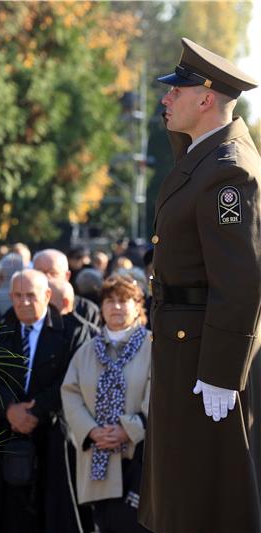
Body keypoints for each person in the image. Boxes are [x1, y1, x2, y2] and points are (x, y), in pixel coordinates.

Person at [139, 38, 261, 533]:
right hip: (182, 343)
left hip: (202, 352)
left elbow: (241, 280)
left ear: (206, 98)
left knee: (207, 491)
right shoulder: (206, 156)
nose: (165, 99)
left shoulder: (228, 171)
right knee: (183, 487)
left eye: (177, 91)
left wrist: (221, 371)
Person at [0, 269, 81, 533]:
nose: (23, 302)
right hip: (6, 434)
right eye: (17, 295)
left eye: (30, 295)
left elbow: (71, 379)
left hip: (52, 434)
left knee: (54, 515)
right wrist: (9, 410)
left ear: (48, 295)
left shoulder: (72, 330)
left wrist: (34, 411)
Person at [61, 275, 152, 533]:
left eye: (124, 300)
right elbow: (70, 393)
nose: (117, 307)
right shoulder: (88, 350)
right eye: (110, 300)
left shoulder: (152, 347)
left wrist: (130, 429)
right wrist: (91, 431)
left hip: (139, 458)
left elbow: (158, 394)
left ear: (138, 306)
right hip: (98, 458)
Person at [33, 249, 101, 326]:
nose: (46, 278)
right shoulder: (21, 306)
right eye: (40, 272)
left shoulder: (87, 310)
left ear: (67, 276)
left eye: (53, 273)